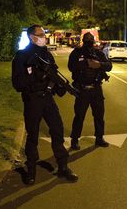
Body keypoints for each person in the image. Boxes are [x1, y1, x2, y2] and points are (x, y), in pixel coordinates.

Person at [12, 25, 78, 184]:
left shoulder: (47, 55)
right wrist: (37, 77)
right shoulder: (21, 56)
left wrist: (60, 87)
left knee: (57, 130)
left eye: (44, 34)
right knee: (33, 135)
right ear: (31, 37)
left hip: (47, 98)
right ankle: (31, 171)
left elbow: (54, 75)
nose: (44, 37)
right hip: (32, 99)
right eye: (40, 34)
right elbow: (17, 84)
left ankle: (63, 166)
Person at [68, 32, 112, 150]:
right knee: (79, 116)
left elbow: (109, 66)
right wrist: (86, 63)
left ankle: (99, 138)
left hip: (96, 88)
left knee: (99, 115)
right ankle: (74, 139)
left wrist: (98, 64)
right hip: (82, 89)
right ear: (83, 41)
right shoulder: (76, 53)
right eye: (87, 41)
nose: (89, 43)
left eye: (90, 41)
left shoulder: (98, 53)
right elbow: (71, 67)